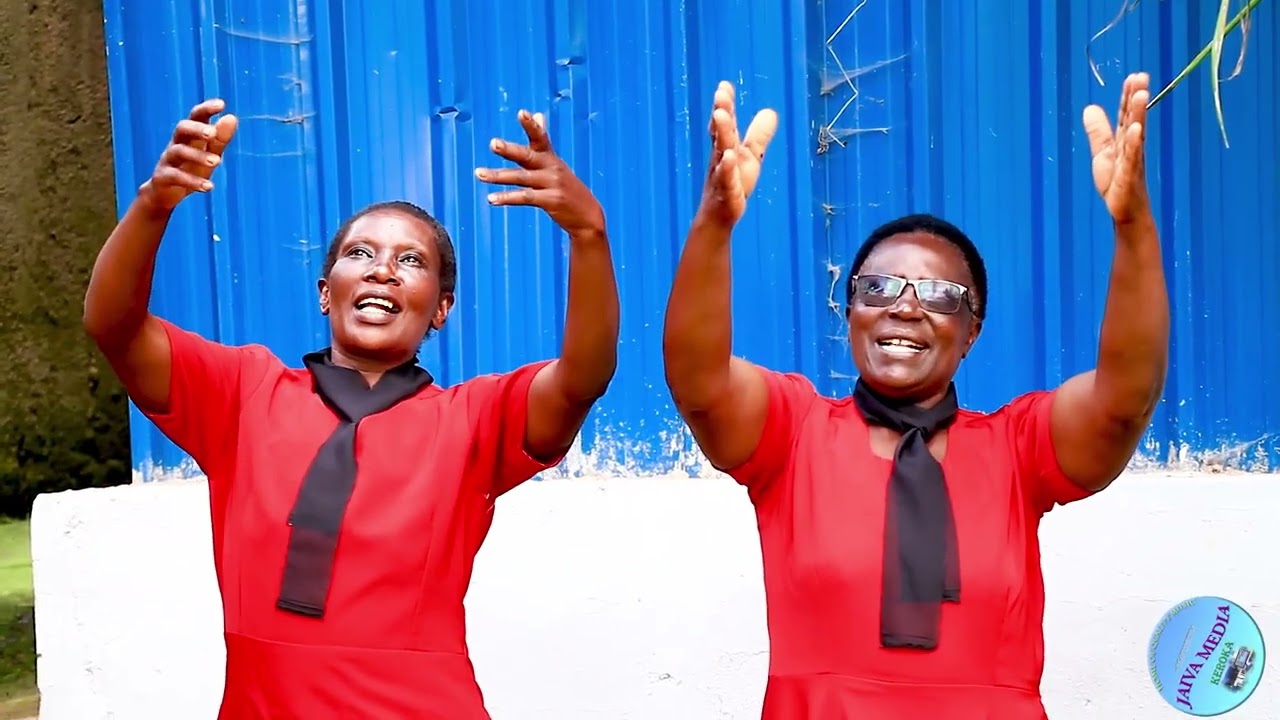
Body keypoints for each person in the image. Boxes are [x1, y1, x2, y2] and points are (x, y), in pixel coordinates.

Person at [83, 98, 619, 718]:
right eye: (360, 253)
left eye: (411, 260)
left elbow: (583, 377)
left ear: (440, 309)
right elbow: (114, 327)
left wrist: (588, 233)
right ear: (324, 291)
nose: (383, 271)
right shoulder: (241, 393)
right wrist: (152, 205)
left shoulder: (473, 421)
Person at [662, 73, 1166, 719]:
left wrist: (1133, 231)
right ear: (850, 315)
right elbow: (697, 382)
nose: (904, 308)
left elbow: (1126, 399)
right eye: (877, 289)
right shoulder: (794, 435)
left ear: (971, 333)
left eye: (938, 296)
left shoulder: (1019, 450)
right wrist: (714, 224)